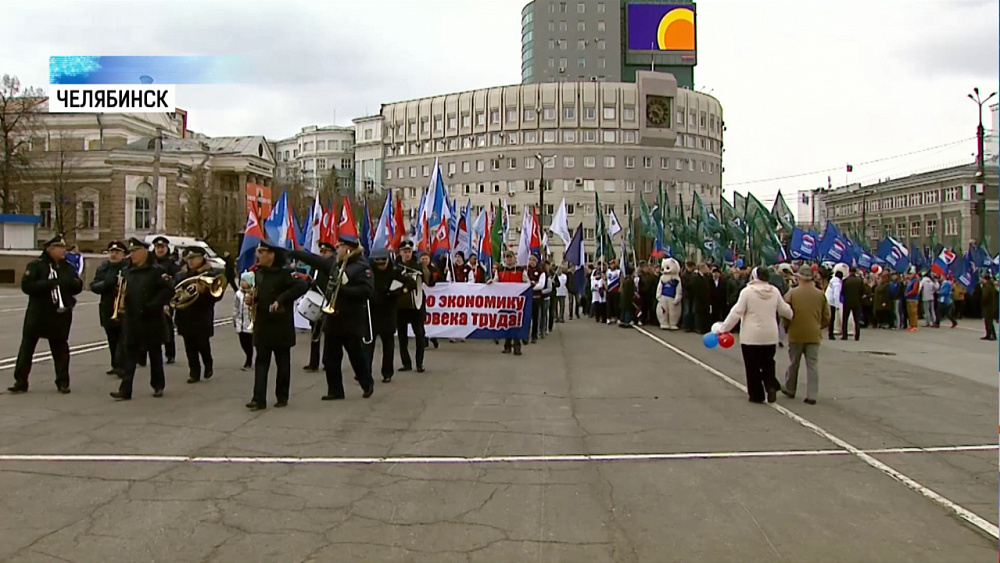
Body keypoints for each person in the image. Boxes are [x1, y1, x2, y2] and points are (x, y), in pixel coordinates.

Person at [291, 234, 375, 400]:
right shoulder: (335, 264)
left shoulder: (361, 267)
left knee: (356, 355)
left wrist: (344, 290)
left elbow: (367, 291)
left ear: (348, 248)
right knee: (331, 358)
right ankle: (335, 390)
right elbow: (316, 260)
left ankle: (367, 383)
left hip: (351, 319)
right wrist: (294, 253)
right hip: (333, 318)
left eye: (339, 246)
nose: (337, 249)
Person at [8, 234, 83, 394]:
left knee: (60, 349)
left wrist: (72, 283)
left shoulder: (67, 267)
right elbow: (27, 286)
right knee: (27, 348)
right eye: (60, 248)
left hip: (59, 314)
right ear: (50, 249)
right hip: (38, 313)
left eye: (64, 248)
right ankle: (21, 381)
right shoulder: (36, 266)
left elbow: (77, 286)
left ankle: (62, 382)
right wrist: (48, 284)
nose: (63, 251)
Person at [715, 266, 794, 403]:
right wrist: (792, 314)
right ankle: (770, 386)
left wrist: (724, 328)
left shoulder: (747, 292)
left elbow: (737, 312)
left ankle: (756, 394)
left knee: (752, 366)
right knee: (768, 363)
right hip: (770, 335)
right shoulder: (774, 291)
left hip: (751, 336)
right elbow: (785, 310)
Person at [245, 242, 308, 410]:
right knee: (261, 362)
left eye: (261, 252)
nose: (258, 255)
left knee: (282, 363)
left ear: (271, 255)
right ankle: (258, 398)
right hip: (263, 323)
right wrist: (252, 299)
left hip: (280, 325)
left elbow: (302, 285)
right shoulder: (258, 273)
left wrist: (281, 299)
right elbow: (259, 293)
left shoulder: (285, 273)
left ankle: (282, 396)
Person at [110, 239, 174, 401]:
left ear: (144, 252)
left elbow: (168, 290)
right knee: (130, 356)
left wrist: (153, 305)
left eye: (135, 251)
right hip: (132, 319)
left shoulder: (156, 271)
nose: (132, 255)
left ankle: (158, 385)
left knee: (155, 354)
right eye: (131, 252)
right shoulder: (127, 271)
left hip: (151, 319)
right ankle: (125, 389)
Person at [172, 247, 225, 383]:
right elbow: (175, 294)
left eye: (194, 258)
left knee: (202, 343)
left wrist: (205, 292)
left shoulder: (210, 275)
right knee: (189, 346)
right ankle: (194, 372)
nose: (191, 262)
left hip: (202, 314)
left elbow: (217, 296)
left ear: (202, 259)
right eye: (189, 259)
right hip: (185, 315)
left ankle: (208, 364)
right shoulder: (181, 275)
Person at [781, 266, 830, 405]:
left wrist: (786, 327)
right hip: (813, 333)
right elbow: (827, 316)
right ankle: (812, 395)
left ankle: (790, 388)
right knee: (812, 365)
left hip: (796, 333)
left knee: (793, 363)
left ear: (800, 278)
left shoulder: (792, 293)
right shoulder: (820, 294)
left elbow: (785, 313)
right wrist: (819, 326)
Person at [367, 248, 415, 383]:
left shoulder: (395, 270)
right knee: (367, 345)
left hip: (388, 310)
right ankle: (365, 372)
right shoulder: (369, 269)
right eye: (378, 263)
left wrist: (399, 292)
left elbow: (410, 283)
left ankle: (387, 372)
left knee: (388, 345)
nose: (381, 266)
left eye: (383, 262)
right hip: (372, 310)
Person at [90, 240, 129, 376]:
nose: (114, 255)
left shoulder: (128, 268)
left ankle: (123, 366)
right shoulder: (103, 268)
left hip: (124, 308)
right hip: (107, 307)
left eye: (117, 252)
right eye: (112, 252)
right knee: (112, 339)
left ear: (123, 255)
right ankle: (115, 364)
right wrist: (108, 284)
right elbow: (94, 286)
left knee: (123, 340)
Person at [395, 240, 435, 372]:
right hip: (401, 305)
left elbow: (430, 282)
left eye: (409, 251)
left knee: (419, 334)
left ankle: (419, 363)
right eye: (405, 251)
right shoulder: (396, 266)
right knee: (402, 336)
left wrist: (427, 268)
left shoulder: (418, 265)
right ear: (400, 252)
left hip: (416, 305)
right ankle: (406, 363)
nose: (407, 254)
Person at [303, 241, 336, 372]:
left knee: (329, 335)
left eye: (325, 252)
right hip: (317, 302)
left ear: (331, 253)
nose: (322, 254)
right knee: (315, 333)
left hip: (328, 302)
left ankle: (328, 361)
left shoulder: (333, 266)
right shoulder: (316, 266)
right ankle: (313, 362)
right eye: (321, 252)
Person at [494, 250, 529, 355]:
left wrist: (529, 284)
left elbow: (526, 281)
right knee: (507, 324)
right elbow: (496, 280)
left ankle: (517, 346)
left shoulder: (520, 270)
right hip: (505, 301)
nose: (509, 259)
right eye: (507, 257)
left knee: (516, 324)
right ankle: (507, 346)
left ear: (514, 258)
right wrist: (491, 282)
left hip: (517, 302)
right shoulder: (500, 270)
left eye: (510, 257)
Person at [151, 236, 179, 364]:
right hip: (151, 298)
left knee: (166, 327)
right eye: (157, 247)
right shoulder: (149, 261)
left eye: (162, 247)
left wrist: (168, 303)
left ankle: (170, 353)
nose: (160, 250)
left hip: (167, 300)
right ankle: (142, 355)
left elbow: (175, 284)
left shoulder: (171, 264)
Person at [233, 272, 255, 370]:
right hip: (240, 322)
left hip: (250, 323)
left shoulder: (254, 293)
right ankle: (248, 355)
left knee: (250, 342)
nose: (242, 283)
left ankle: (249, 360)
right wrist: (234, 318)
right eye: (241, 280)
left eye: (244, 281)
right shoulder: (238, 294)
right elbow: (236, 307)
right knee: (243, 342)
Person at [840, 267, 865, 341]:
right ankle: (857, 335)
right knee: (856, 319)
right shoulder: (859, 281)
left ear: (849, 271)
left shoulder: (845, 281)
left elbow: (842, 292)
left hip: (847, 302)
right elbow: (862, 291)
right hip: (857, 302)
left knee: (845, 319)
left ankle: (845, 335)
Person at [980, 273, 997, 341]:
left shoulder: (987, 286)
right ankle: (989, 334)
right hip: (991, 306)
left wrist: (982, 302)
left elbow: (985, 296)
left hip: (988, 307)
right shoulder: (991, 285)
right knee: (989, 321)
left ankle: (991, 335)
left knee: (988, 321)